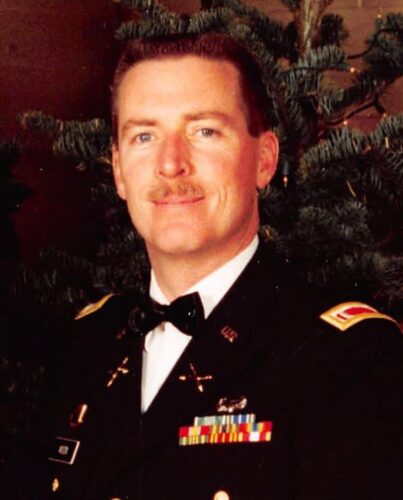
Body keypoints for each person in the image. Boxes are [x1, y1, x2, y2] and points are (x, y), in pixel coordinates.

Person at [44, 33, 402, 500]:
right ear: (118, 171)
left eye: (205, 131)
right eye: (144, 136)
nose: (170, 165)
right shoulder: (82, 345)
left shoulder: (349, 360)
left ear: (265, 160)